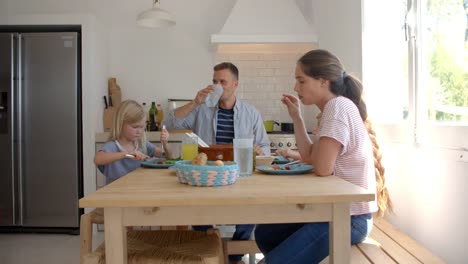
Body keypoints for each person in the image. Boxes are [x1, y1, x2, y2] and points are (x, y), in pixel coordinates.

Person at [254, 49, 392, 264]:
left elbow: (323, 169)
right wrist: (297, 118)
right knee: (265, 233)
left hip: (349, 217)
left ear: (323, 82)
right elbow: (310, 157)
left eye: (301, 80)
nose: (295, 87)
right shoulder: (330, 109)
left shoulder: (337, 108)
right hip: (335, 209)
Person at [164, 62, 270, 264]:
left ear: (235, 84)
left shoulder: (251, 113)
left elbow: (264, 146)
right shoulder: (201, 109)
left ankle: (234, 257)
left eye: (223, 81)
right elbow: (170, 123)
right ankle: (207, 252)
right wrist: (195, 102)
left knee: (248, 213)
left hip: (239, 176)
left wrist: (259, 150)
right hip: (206, 176)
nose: (217, 85)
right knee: (199, 213)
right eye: (214, 81)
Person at [95, 100, 173, 184]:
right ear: (121, 124)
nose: (139, 131)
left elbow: (168, 156)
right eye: (135, 127)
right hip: (117, 194)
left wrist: (165, 143)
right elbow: (98, 159)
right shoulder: (113, 146)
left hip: (138, 191)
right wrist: (126, 154)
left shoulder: (142, 144)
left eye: (142, 127)